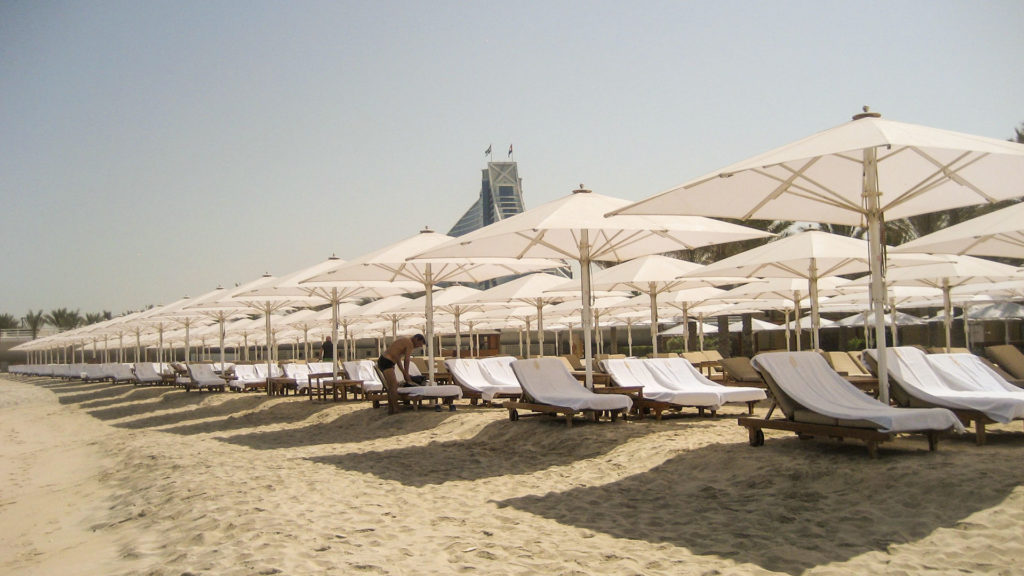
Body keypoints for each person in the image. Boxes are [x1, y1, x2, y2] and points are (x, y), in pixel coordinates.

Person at [378, 334, 426, 415]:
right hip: (386, 361)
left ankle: (391, 409)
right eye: (419, 344)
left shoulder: (404, 341)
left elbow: (398, 359)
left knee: (391, 387)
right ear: (416, 339)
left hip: (386, 361)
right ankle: (396, 409)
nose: (418, 346)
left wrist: (404, 372)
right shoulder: (409, 343)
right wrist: (406, 373)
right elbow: (407, 360)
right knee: (393, 386)